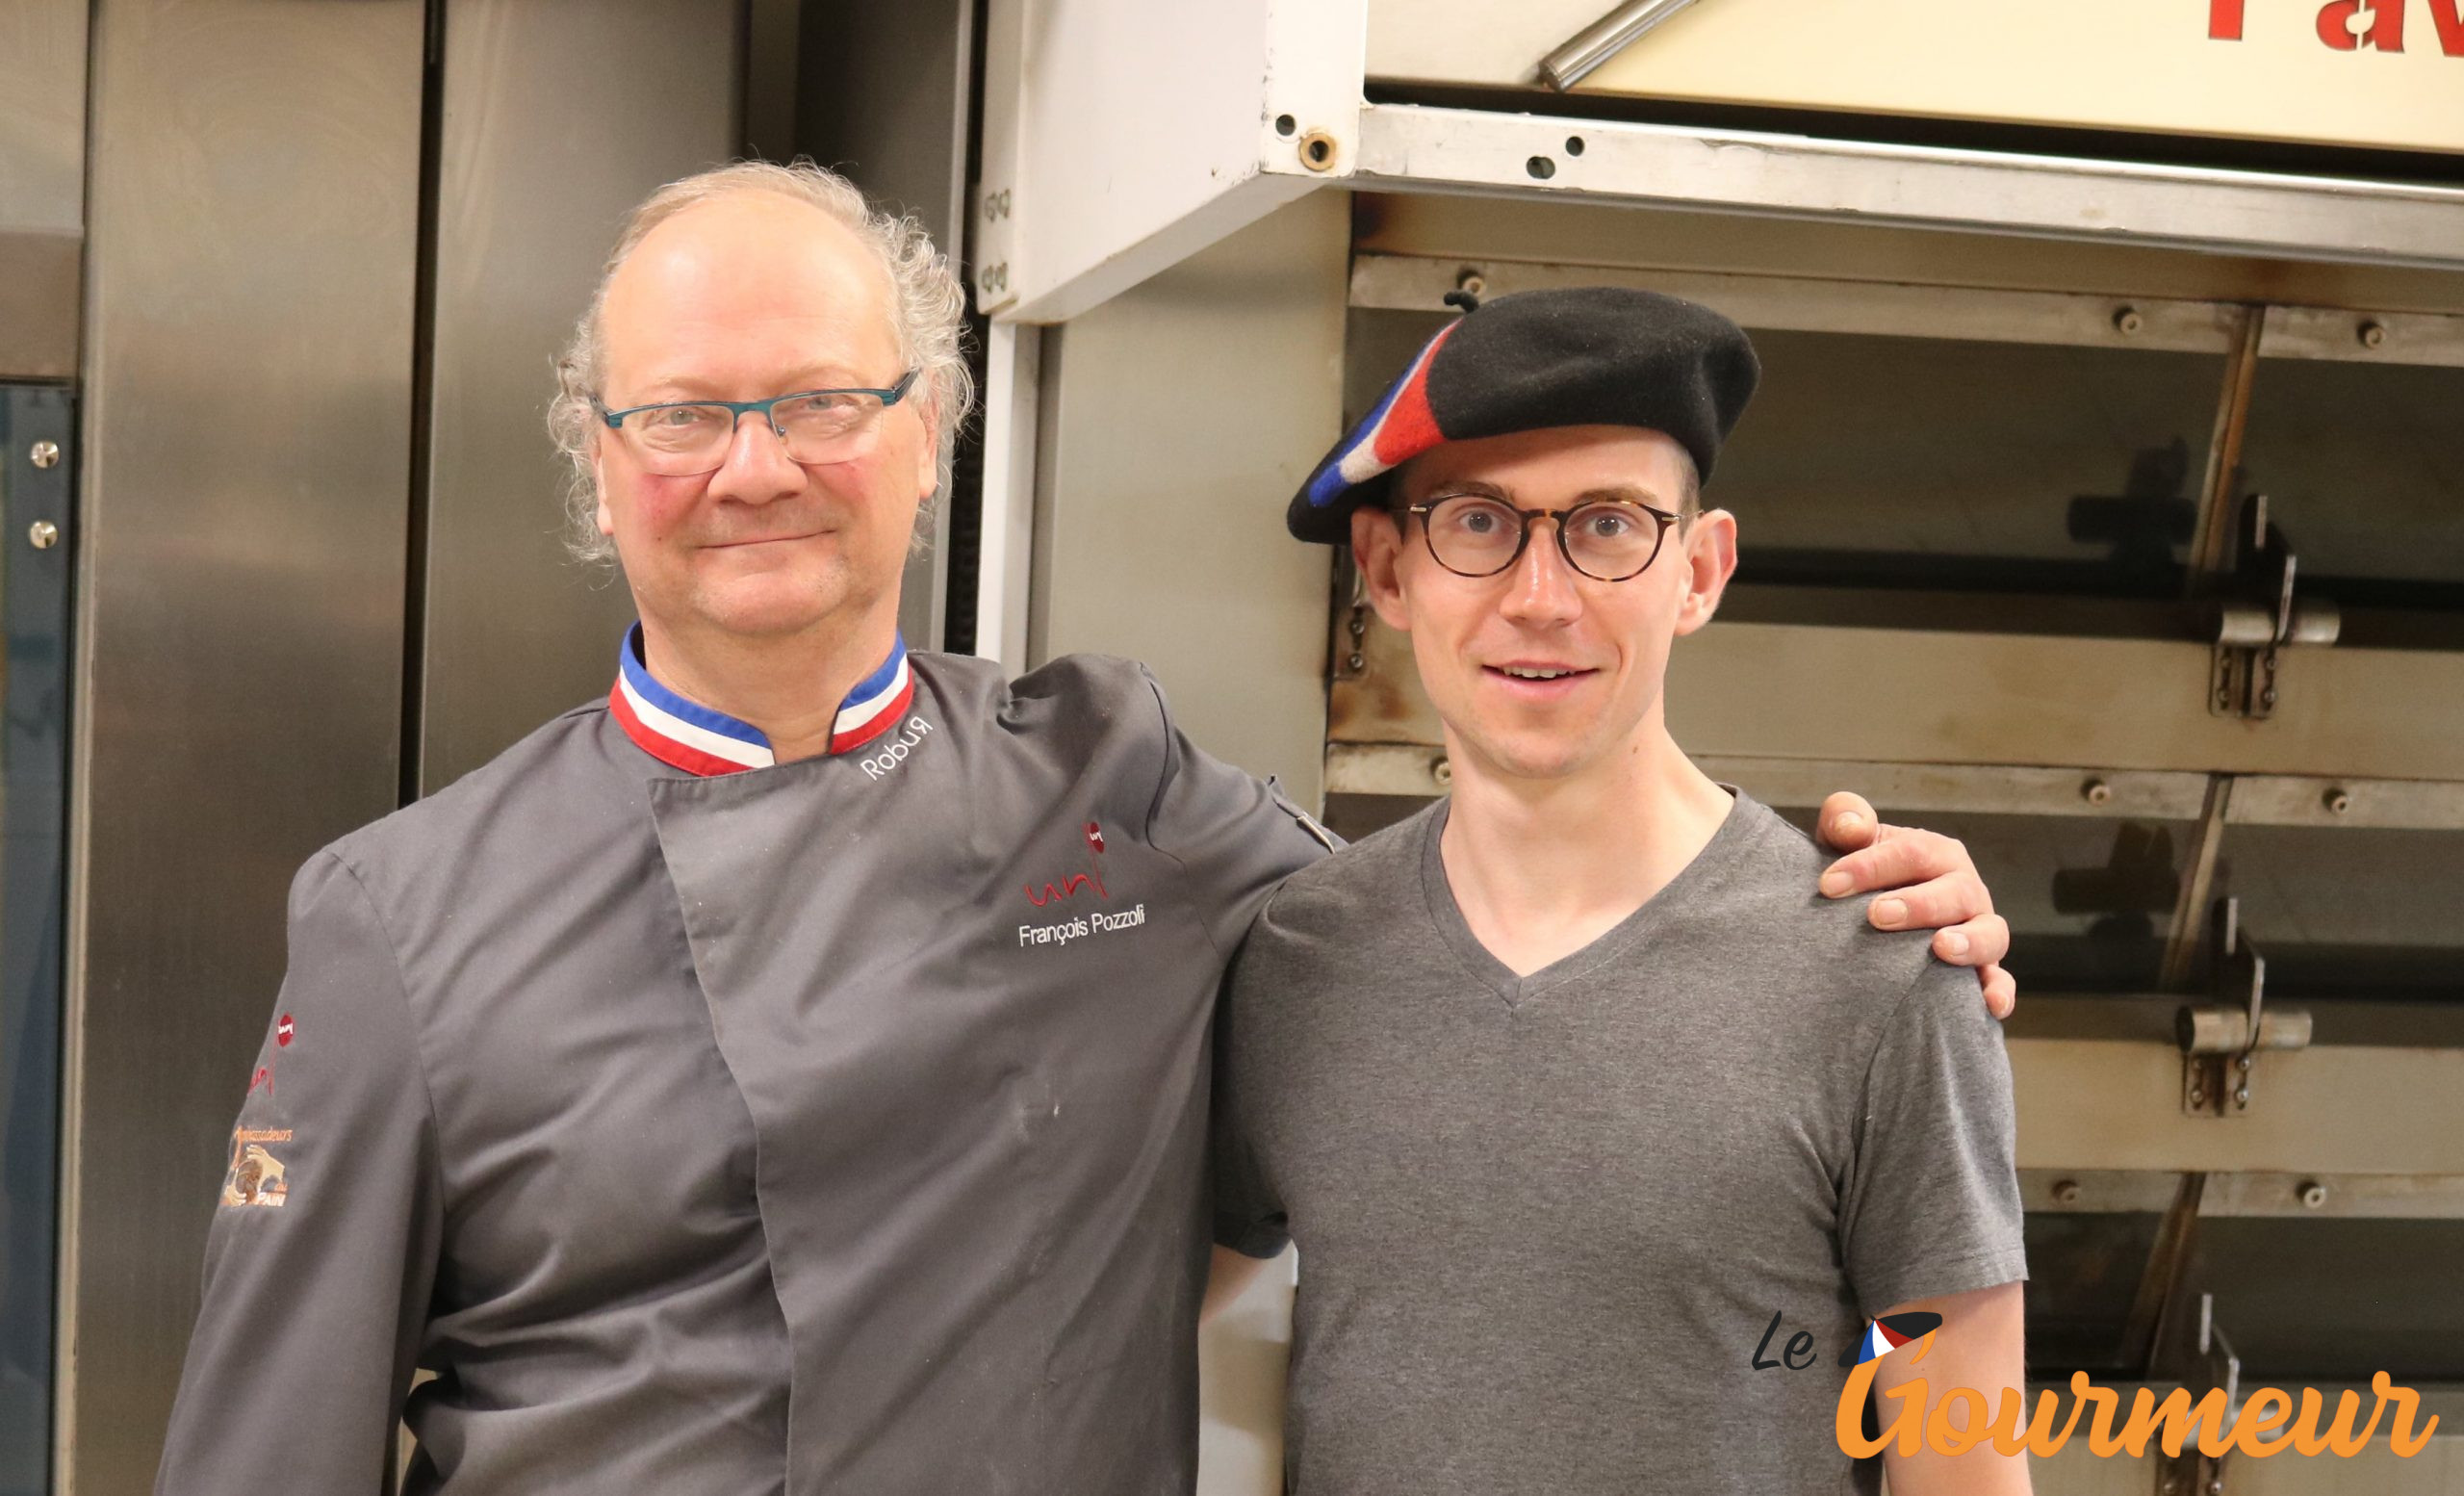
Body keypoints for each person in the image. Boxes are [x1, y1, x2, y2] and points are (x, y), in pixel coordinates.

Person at [153, 164, 2013, 1495]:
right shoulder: (402, 914)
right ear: (599, 459)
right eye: (682, 413)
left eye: (821, 399)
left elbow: (1503, 901)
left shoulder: (1119, 790)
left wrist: (1852, 899)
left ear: (929, 429)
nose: (754, 463)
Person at [1207, 288, 2030, 1495]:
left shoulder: (1878, 969)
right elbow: (1217, 1352)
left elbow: (1958, 1460)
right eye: (1477, 524)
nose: (1541, 597)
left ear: (1697, 572)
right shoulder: (1289, 960)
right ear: (1385, 571)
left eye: (1606, 528)